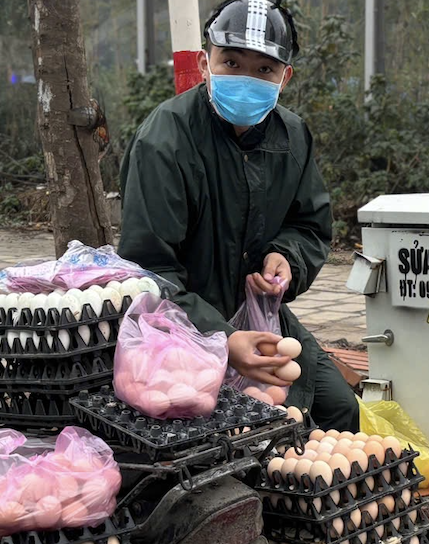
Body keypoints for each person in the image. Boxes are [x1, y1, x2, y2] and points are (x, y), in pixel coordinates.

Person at [118, 0, 359, 432]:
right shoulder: (165, 142)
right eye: (231, 61)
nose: (246, 79)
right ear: (204, 62)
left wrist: (286, 257)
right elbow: (148, 270)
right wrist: (222, 339)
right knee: (236, 432)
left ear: (285, 76)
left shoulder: (292, 136)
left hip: (259, 317)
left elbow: (309, 226)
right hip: (181, 328)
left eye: (264, 69)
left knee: (338, 407)